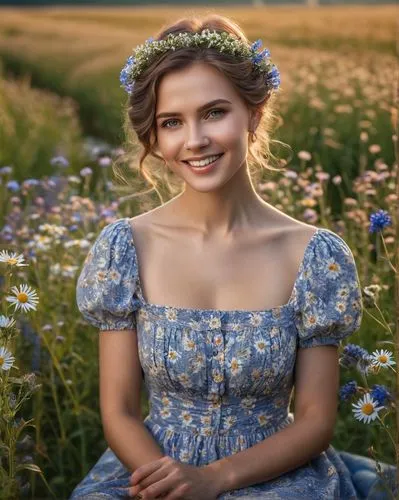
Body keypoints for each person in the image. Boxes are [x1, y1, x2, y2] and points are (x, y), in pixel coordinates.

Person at [70, 14, 397, 500]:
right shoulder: (125, 248)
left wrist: (215, 479)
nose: (195, 139)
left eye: (215, 112)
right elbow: (118, 411)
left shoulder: (313, 255)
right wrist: (173, 482)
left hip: (276, 473)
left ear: (255, 112)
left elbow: (314, 420)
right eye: (171, 122)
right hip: (150, 468)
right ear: (155, 139)